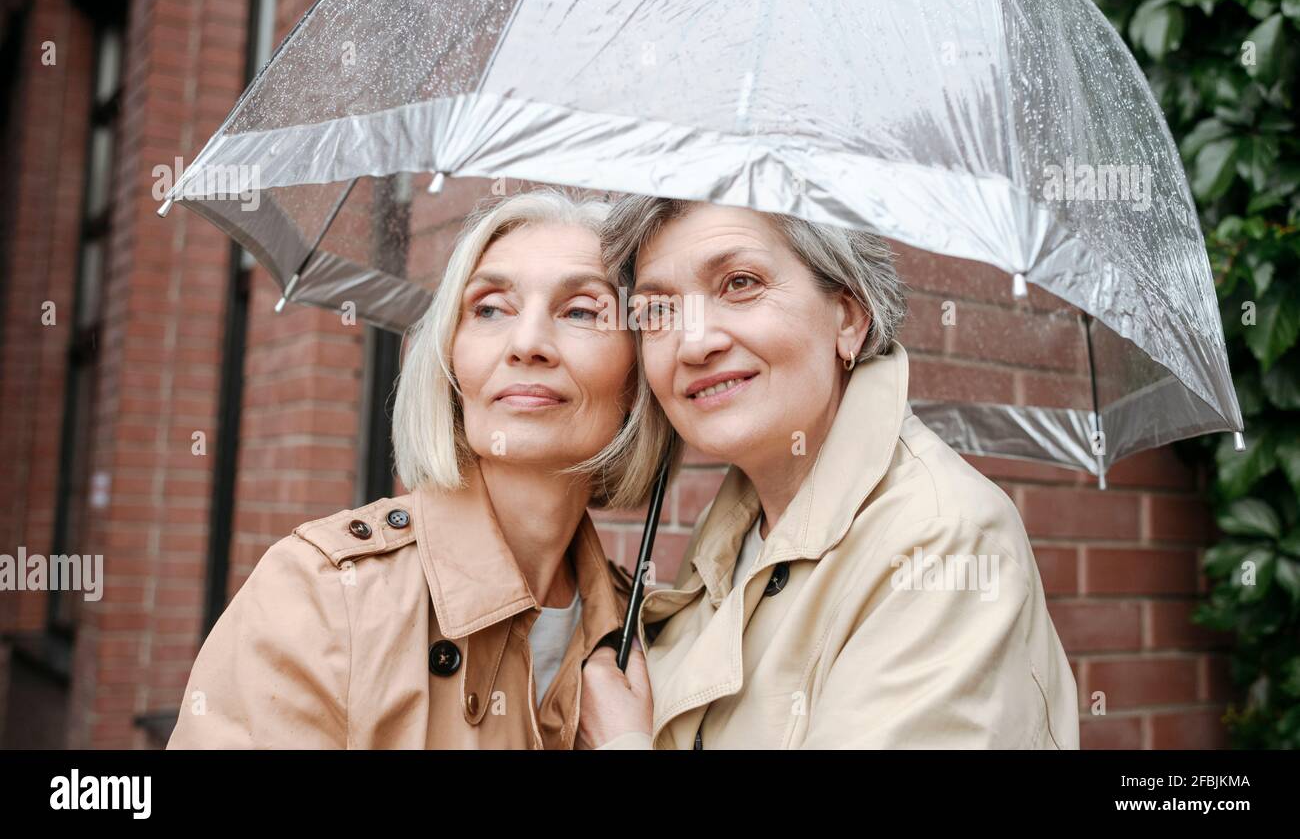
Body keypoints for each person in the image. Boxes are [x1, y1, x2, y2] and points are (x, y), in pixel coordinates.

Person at [168, 187, 668, 748]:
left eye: (581, 311)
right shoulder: (325, 593)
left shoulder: (651, 634)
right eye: (489, 309)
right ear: (451, 358)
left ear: (638, 375)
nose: (527, 343)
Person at [578, 197, 1080, 749]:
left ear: (849, 316)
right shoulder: (738, 529)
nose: (694, 342)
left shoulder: (942, 541)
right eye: (658, 310)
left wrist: (621, 742)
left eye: (740, 283)